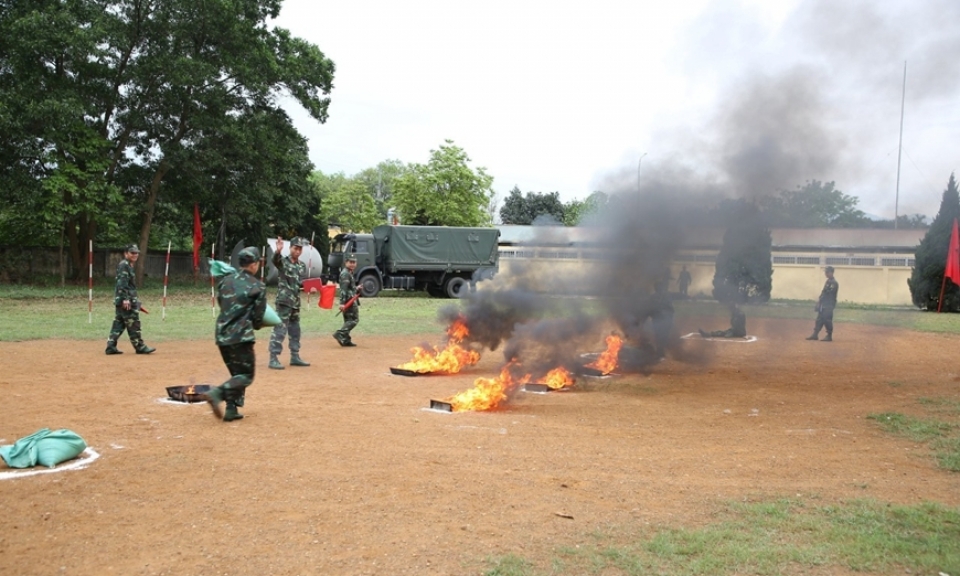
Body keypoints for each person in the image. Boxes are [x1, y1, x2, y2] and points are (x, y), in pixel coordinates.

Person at [204, 247, 267, 422]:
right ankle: (217, 393)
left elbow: (221, 303)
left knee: (236, 374)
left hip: (222, 334)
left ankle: (232, 409)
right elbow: (257, 317)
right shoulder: (257, 286)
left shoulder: (225, 281)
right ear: (254, 265)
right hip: (241, 337)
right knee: (246, 375)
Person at [268, 236, 313, 369]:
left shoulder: (301, 266)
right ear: (290, 248)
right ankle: (273, 358)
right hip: (284, 301)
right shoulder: (283, 262)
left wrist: (310, 288)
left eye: (300, 249)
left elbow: (299, 284)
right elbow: (275, 260)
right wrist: (278, 251)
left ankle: (295, 356)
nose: (298, 251)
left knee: (295, 330)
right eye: (295, 248)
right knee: (280, 329)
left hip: (295, 302)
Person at [105, 244, 155, 355]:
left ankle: (110, 346)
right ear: (126, 253)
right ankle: (139, 346)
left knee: (119, 323)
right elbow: (122, 284)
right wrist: (126, 299)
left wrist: (136, 302)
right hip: (125, 301)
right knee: (134, 323)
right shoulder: (124, 265)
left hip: (123, 299)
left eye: (136, 252)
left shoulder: (128, 265)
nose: (135, 255)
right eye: (132, 252)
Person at [807, 265, 839, 342]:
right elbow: (823, 292)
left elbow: (828, 293)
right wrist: (820, 300)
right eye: (826, 272)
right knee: (819, 319)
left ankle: (829, 335)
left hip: (829, 304)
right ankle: (815, 334)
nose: (826, 274)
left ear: (831, 272)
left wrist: (822, 299)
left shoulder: (834, 283)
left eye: (827, 272)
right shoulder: (828, 281)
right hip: (824, 303)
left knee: (827, 319)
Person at [333, 254, 360, 347]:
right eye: (350, 262)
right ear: (346, 263)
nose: (352, 264)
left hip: (350, 299)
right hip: (349, 301)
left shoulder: (349, 272)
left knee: (348, 320)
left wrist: (357, 288)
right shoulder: (345, 274)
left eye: (354, 262)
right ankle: (340, 333)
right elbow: (343, 290)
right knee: (354, 320)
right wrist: (342, 303)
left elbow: (349, 288)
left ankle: (345, 340)